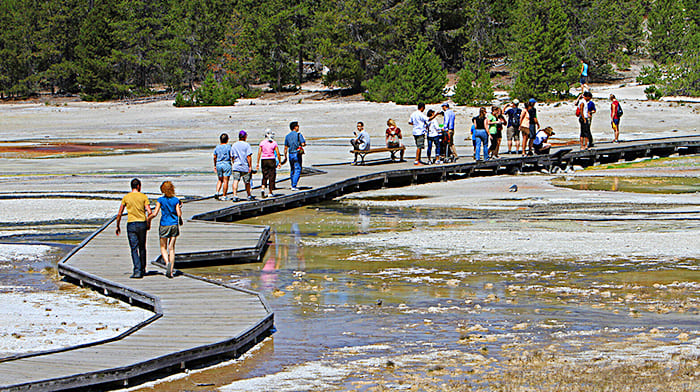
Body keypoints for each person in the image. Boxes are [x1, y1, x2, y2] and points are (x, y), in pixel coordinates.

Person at [115, 178, 152, 279]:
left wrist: (117, 226)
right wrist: (148, 222)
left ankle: (137, 270)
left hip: (131, 224)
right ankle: (143, 269)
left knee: (134, 248)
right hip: (142, 223)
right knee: (142, 247)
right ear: (139, 186)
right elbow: (150, 212)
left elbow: (119, 213)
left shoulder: (126, 197)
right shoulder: (143, 196)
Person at [148, 181, 182, 279]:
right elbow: (179, 214)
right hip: (174, 224)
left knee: (163, 247)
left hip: (164, 224)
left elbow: (155, 213)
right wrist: (179, 208)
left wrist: (148, 219)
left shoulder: (160, 200)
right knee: (171, 248)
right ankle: (171, 271)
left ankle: (167, 263)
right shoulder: (176, 200)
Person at [256, 129, 284, 198]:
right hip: (271, 159)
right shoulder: (274, 143)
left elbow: (259, 153)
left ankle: (263, 188)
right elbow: (277, 153)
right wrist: (280, 162)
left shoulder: (262, 143)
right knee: (271, 176)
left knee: (264, 175)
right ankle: (270, 192)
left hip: (264, 160)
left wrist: (257, 162)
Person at [231, 130, 255, 201]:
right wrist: (250, 166)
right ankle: (248, 195)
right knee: (247, 182)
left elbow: (232, 156)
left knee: (235, 180)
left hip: (236, 165)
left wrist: (233, 162)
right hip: (245, 166)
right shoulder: (247, 145)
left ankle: (235, 195)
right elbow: (248, 156)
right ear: (244, 137)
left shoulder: (234, 145)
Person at [284, 121, 306, 191]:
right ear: (295, 127)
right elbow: (303, 144)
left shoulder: (287, 136)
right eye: (297, 126)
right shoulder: (298, 135)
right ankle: (294, 185)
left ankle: (292, 183)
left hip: (290, 153)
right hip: (297, 154)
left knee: (292, 169)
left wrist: (285, 156)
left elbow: (285, 147)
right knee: (298, 169)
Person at [213, 133, 233, 200]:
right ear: (227, 140)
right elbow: (231, 155)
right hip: (226, 163)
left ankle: (217, 192)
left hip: (219, 164)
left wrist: (215, 165)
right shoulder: (229, 147)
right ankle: (224, 195)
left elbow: (215, 156)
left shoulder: (217, 147)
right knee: (226, 180)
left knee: (220, 179)